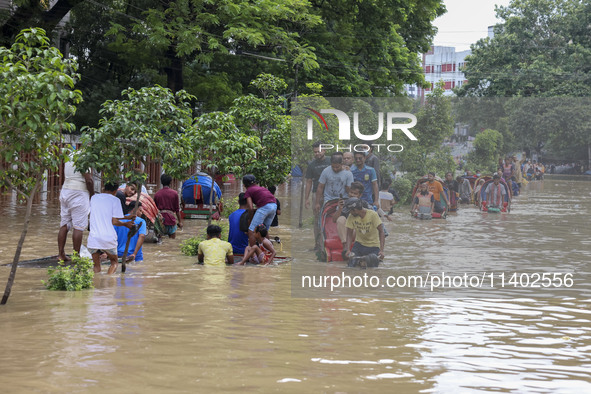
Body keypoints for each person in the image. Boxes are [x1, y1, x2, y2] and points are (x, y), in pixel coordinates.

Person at [87, 182, 135, 274]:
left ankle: (96, 283)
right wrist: (126, 224)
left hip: (94, 238)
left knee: (96, 266)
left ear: (104, 188)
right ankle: (109, 281)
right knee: (114, 263)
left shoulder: (94, 198)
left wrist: (127, 218)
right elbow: (114, 220)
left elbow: (106, 215)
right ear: (115, 191)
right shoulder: (115, 200)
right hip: (108, 238)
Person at [58, 153, 94, 262]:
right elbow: (89, 180)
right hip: (79, 192)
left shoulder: (71, 155)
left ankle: (61, 254)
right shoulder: (86, 157)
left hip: (65, 191)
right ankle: (76, 256)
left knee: (64, 224)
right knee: (78, 227)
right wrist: (92, 195)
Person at [242, 174, 277, 245]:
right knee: (264, 230)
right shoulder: (261, 188)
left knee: (251, 230)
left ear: (244, 184)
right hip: (274, 205)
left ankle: (252, 253)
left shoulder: (248, 191)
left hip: (265, 207)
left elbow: (250, 208)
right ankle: (268, 251)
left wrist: (251, 220)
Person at [153, 174, 183, 239]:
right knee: (172, 240)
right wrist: (180, 222)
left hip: (160, 221)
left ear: (161, 182)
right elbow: (177, 210)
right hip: (171, 220)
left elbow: (154, 209)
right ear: (170, 182)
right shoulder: (174, 193)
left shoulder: (157, 194)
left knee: (159, 240)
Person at [304, 141, 331, 212]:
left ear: (324, 151)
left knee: (330, 213)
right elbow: (309, 182)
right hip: (316, 192)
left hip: (331, 192)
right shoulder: (311, 165)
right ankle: (316, 223)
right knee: (316, 213)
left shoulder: (331, 161)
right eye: (315, 152)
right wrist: (306, 199)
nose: (317, 154)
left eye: (319, 151)